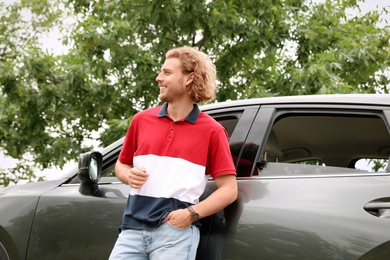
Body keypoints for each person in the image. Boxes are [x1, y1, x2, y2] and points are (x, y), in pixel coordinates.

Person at [109, 46, 238, 260]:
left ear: (189, 78)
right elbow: (121, 165)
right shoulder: (141, 120)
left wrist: (190, 214)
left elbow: (229, 189)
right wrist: (127, 175)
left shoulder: (212, 131)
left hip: (175, 234)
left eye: (167, 72)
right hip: (131, 230)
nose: (159, 78)